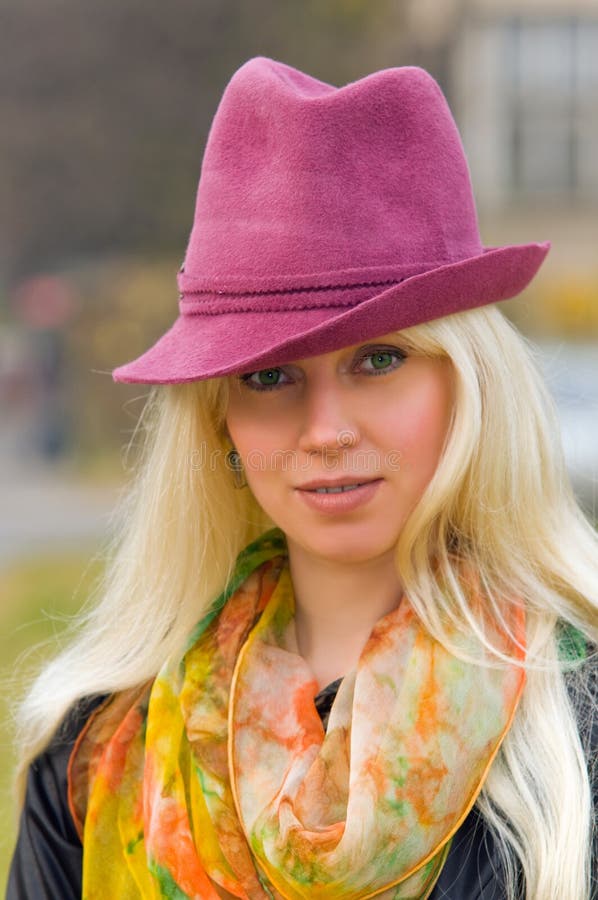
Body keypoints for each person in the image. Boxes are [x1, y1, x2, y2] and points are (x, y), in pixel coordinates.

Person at [7, 56, 597, 900]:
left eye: (380, 360)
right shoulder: (97, 751)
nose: (325, 432)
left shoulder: (576, 730)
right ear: (221, 424)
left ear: (467, 386)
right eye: (270, 377)